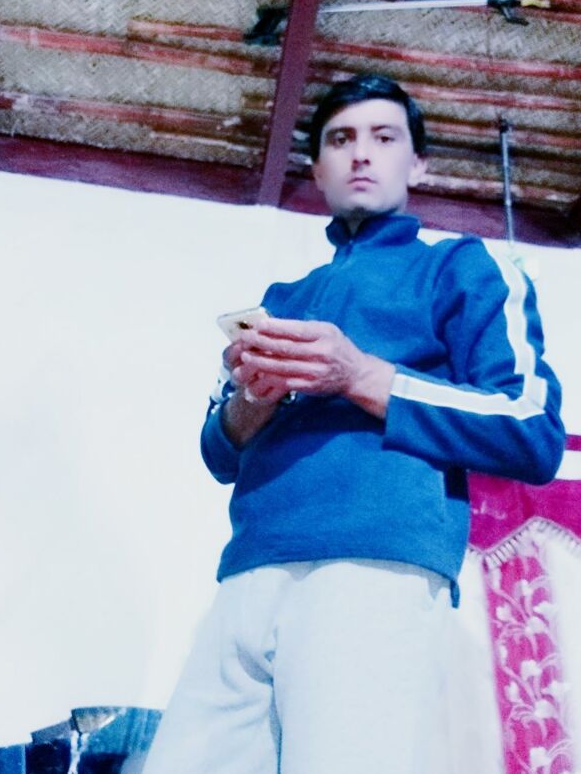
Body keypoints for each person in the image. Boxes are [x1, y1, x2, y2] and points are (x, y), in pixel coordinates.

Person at [144, 74, 565, 774]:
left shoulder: (466, 266)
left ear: (417, 164)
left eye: (384, 137)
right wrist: (255, 401)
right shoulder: (280, 300)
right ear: (317, 169)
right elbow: (218, 451)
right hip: (246, 573)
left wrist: (360, 375)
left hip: (373, 569)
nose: (361, 154)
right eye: (340, 140)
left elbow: (532, 429)